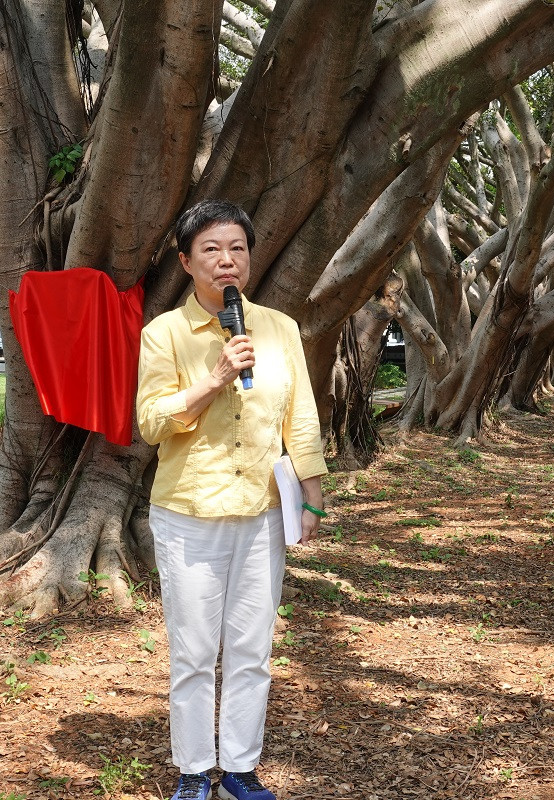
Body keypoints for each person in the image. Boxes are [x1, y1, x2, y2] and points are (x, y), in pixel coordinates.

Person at [136, 200, 328, 800]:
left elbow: (300, 417)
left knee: (251, 649)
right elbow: (150, 422)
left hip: (263, 511)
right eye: (212, 250)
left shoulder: (279, 328)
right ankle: (194, 773)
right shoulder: (164, 333)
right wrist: (213, 378)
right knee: (193, 652)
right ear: (186, 260)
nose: (227, 261)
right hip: (188, 514)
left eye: (237, 249)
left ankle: (239, 769)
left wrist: (313, 497)